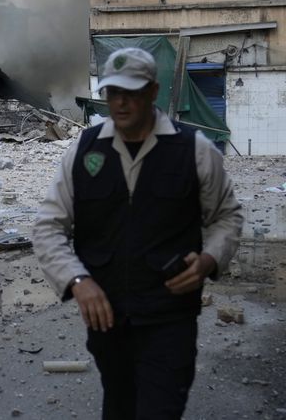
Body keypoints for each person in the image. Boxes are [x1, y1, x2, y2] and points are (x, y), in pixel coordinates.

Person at [33, 47, 243, 420]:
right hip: (106, 321)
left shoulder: (193, 150)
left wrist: (210, 258)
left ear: (152, 91)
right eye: (113, 93)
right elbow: (49, 226)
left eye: (131, 92)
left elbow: (226, 217)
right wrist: (78, 280)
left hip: (169, 317)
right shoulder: (83, 150)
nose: (121, 103)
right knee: (118, 404)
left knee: (160, 409)